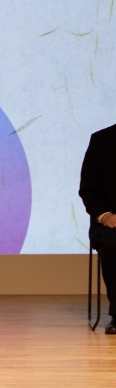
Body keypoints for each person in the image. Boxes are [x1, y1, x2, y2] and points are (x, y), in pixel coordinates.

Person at [80, 122, 116, 334]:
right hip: (111, 224)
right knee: (114, 243)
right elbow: (88, 189)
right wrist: (105, 216)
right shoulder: (102, 140)